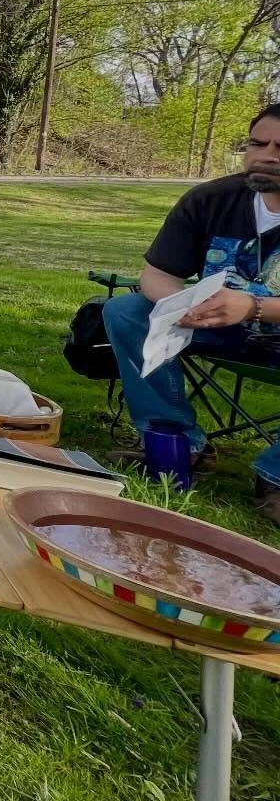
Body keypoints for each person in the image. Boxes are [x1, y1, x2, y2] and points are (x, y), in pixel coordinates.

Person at [104, 103, 280, 524]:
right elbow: (157, 274)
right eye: (258, 144)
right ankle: (176, 445)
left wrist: (254, 306)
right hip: (217, 326)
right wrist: (180, 304)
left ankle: (275, 477)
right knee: (127, 311)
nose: (267, 156)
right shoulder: (211, 199)